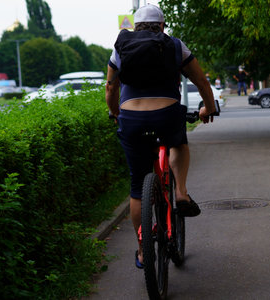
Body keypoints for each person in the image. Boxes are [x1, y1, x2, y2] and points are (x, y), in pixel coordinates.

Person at [105, 4, 217, 269]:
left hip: (131, 118)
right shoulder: (176, 46)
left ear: (134, 27)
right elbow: (201, 82)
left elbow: (111, 87)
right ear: (162, 26)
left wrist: (115, 113)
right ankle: (180, 191)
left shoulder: (121, 47)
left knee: (137, 189)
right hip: (167, 114)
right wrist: (209, 108)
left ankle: (143, 251)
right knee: (178, 142)